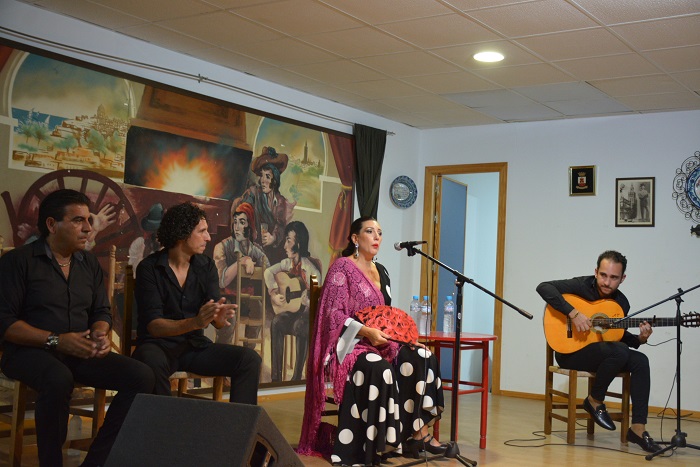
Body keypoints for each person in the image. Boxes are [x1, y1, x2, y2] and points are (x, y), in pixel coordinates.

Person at [0, 189, 154, 467]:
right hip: (28, 353)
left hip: (79, 351)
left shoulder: (88, 264)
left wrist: (100, 331)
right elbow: (5, 323)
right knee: (58, 377)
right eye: (78, 220)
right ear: (51, 224)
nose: (87, 228)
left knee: (141, 375)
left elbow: (101, 311)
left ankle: (96, 461)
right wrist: (56, 340)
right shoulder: (18, 262)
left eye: (88, 220)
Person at [298, 216, 446, 465]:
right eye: (370, 231)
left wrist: (406, 340)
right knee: (380, 367)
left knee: (423, 356)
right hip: (351, 344)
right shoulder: (342, 268)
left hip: (383, 342)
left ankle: (415, 435)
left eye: (380, 232)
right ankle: (377, 444)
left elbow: (386, 317)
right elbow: (333, 315)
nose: (377, 237)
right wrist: (366, 332)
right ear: (356, 239)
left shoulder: (383, 271)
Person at [132, 201, 261, 404]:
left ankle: (239, 432)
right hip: (158, 347)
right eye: (202, 231)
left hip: (194, 347)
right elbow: (154, 327)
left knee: (248, 360)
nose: (208, 237)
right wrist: (197, 322)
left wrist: (218, 318)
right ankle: (165, 430)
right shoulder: (149, 268)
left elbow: (213, 318)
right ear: (183, 234)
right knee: (149, 361)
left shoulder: (206, 266)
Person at [536, 250, 661, 453]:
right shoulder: (580, 285)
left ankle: (638, 428)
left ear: (623, 279)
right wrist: (573, 313)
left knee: (640, 360)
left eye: (613, 278)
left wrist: (639, 339)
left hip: (601, 354)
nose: (607, 282)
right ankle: (594, 400)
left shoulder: (622, 303)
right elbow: (543, 288)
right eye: (603, 275)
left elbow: (615, 335)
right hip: (570, 353)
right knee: (619, 352)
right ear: (596, 272)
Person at [265, 221, 321, 382]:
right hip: (293, 312)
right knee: (276, 322)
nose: (285, 245)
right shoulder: (286, 264)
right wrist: (274, 292)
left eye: (288, 240)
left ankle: (296, 377)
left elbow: (317, 302)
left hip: (307, 316)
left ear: (298, 243)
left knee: (300, 326)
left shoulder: (311, 270)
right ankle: (276, 377)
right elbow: (268, 273)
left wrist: (308, 301)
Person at [212, 202, 269, 346]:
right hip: (227, 298)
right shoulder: (222, 247)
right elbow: (222, 281)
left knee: (258, 309)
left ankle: (247, 354)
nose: (236, 227)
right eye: (235, 222)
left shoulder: (255, 249)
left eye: (242, 222)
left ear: (249, 226)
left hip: (246, 299)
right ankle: (221, 356)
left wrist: (254, 263)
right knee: (228, 320)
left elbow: (268, 268)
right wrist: (242, 261)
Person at [231, 146, 295, 265]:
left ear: (274, 180)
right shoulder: (254, 193)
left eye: (268, 176)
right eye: (262, 175)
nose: (263, 180)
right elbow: (244, 209)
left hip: (273, 248)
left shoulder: (281, 202)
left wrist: (274, 237)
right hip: (254, 245)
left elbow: (281, 224)